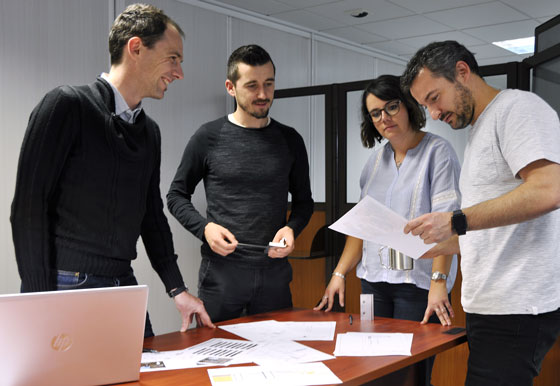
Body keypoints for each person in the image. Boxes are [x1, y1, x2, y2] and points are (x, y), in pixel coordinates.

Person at [10, 3, 214, 337]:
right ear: (136, 48)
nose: (179, 72)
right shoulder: (67, 106)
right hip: (66, 284)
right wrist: (37, 302)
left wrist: (177, 289)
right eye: (173, 58)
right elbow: (28, 210)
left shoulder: (149, 132)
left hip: (123, 284)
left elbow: (151, 216)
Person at [401, 40, 560, 386]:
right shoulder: (480, 130)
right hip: (491, 307)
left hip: (516, 308)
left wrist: (457, 221)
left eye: (434, 98)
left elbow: (550, 188)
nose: (433, 114)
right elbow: (501, 225)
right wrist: (443, 243)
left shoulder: (518, 109)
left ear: (462, 72)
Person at [314, 74, 461, 385]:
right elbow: (364, 224)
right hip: (374, 284)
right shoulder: (375, 161)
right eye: (375, 113)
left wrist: (439, 282)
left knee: (410, 374)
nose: (384, 118)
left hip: (418, 285)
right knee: (373, 370)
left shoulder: (439, 153)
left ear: (407, 104)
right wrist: (339, 274)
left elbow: (446, 224)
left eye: (391, 107)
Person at [167, 44, 313, 323]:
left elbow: (304, 203)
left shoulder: (290, 139)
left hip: (274, 276)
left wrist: (291, 228)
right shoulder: (208, 136)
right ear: (230, 87)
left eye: (269, 84)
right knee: (214, 359)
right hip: (222, 276)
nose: (262, 94)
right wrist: (205, 228)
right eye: (252, 86)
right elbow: (176, 195)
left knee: (279, 358)